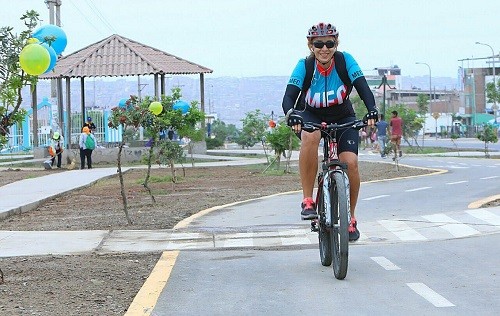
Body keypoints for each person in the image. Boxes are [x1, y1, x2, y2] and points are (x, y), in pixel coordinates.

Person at [281, 22, 378, 241]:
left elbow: (363, 88)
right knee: (310, 136)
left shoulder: (345, 61)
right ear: (310, 45)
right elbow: (289, 97)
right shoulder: (304, 66)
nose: (324, 48)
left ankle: (350, 218)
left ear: (336, 44)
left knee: (350, 163)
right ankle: (308, 199)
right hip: (311, 116)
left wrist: (372, 110)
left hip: (343, 116)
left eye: (329, 43)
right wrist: (292, 115)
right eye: (319, 44)